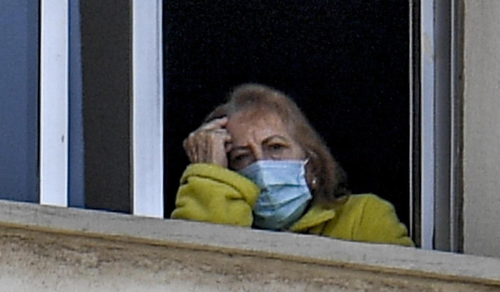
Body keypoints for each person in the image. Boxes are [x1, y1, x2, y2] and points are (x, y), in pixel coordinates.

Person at [169, 83, 413, 246]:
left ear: (312, 164)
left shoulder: (363, 217)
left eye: (275, 147)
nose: (262, 165)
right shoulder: (226, 216)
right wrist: (210, 177)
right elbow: (202, 276)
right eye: (242, 157)